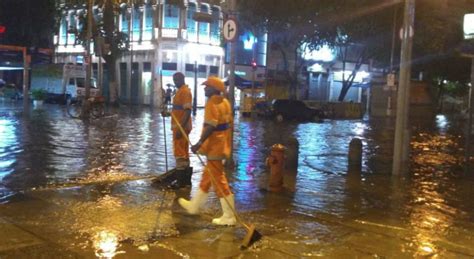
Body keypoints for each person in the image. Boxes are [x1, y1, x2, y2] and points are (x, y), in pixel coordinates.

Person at [178, 76, 237, 226]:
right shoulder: (226, 103)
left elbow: (211, 125)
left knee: (219, 180)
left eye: (207, 86)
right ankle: (194, 206)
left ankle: (229, 216)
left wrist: (198, 143)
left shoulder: (212, 103)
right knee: (207, 177)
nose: (204, 88)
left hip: (214, 147)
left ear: (214, 89)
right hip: (222, 144)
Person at [158, 72, 193, 189]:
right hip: (180, 127)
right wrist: (167, 114)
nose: (175, 82)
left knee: (179, 153)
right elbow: (178, 111)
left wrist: (180, 129)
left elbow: (187, 111)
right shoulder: (179, 92)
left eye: (177, 79)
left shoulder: (185, 92)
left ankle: (180, 182)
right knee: (184, 153)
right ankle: (186, 182)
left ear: (182, 79)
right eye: (174, 80)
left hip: (181, 128)